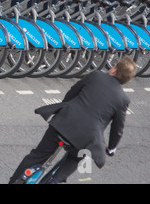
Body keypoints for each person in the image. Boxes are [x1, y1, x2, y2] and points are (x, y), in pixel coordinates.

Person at [8, 56, 137, 184]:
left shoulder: (96, 76)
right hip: (85, 137)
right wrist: (112, 148)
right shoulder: (123, 100)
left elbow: (72, 92)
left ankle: (14, 181)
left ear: (114, 70)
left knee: (38, 155)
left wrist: (63, 109)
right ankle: (55, 180)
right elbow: (118, 129)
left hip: (63, 122)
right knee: (75, 158)